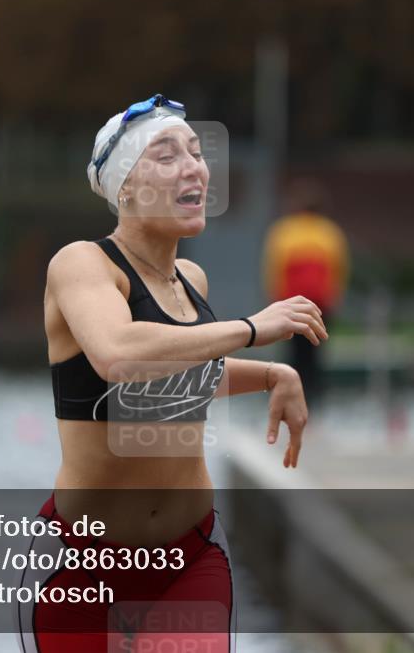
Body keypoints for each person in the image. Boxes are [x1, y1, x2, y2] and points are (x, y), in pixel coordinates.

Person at [19, 94, 327, 653]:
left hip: (189, 556)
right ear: (125, 187)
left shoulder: (193, 279)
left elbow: (178, 372)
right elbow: (118, 353)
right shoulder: (82, 265)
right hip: (88, 564)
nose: (194, 166)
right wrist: (252, 328)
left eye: (196, 152)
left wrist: (270, 377)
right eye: (166, 155)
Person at [262, 177, 349, 404]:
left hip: (291, 302)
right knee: (317, 351)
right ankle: (315, 397)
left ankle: (290, 393)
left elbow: (274, 267)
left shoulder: (283, 231)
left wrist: (274, 297)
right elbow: (339, 269)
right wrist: (335, 298)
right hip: (320, 303)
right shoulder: (329, 232)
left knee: (293, 351)